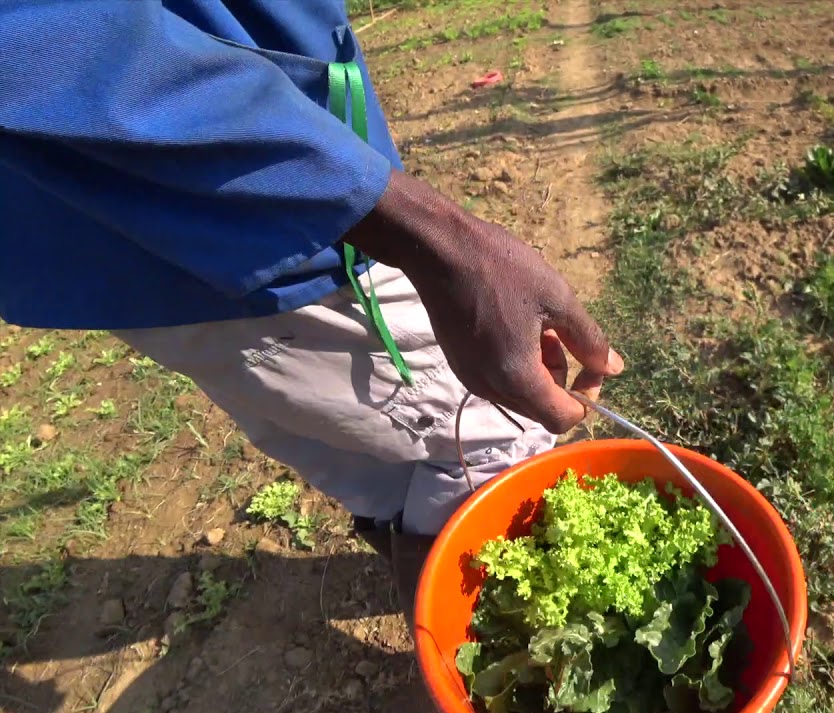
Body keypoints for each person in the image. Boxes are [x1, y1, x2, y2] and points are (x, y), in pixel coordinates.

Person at [0, 1, 622, 625]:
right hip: (263, 214)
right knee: (501, 436)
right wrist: (435, 238)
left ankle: (452, 612)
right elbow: (59, 43)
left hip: (153, 229)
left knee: (379, 469)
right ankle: (487, 635)